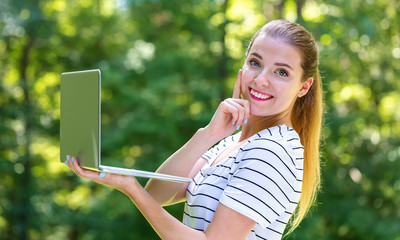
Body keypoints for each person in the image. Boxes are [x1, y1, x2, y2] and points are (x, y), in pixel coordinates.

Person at [64, 19, 323, 240]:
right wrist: (208, 134)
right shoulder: (232, 144)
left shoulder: (273, 150)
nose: (261, 79)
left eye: (281, 72)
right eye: (256, 63)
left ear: (303, 86)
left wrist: (132, 188)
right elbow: (157, 194)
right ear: (242, 66)